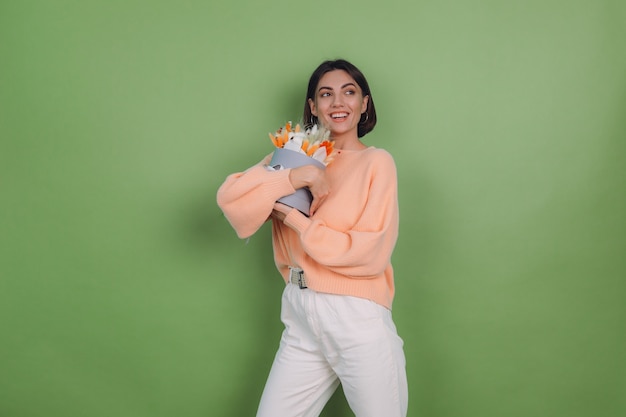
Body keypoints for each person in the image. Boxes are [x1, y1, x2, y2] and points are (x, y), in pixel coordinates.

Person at [216, 58, 408, 417]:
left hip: (356, 316)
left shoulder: (377, 163)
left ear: (364, 103)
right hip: (300, 311)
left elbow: (370, 254)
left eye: (349, 92)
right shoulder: (294, 155)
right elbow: (232, 200)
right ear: (313, 106)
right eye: (326, 94)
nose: (338, 103)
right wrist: (294, 178)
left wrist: (294, 219)